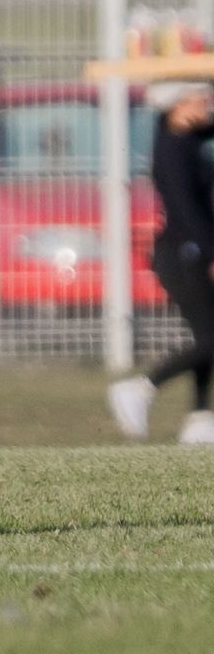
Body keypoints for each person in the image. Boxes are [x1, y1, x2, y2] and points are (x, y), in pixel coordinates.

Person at [108, 80, 214, 444]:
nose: (208, 104)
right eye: (201, 98)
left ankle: (200, 417)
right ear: (178, 104)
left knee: (207, 334)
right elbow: (187, 211)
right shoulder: (173, 148)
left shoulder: (194, 138)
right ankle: (140, 387)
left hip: (196, 251)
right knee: (211, 337)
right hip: (183, 255)